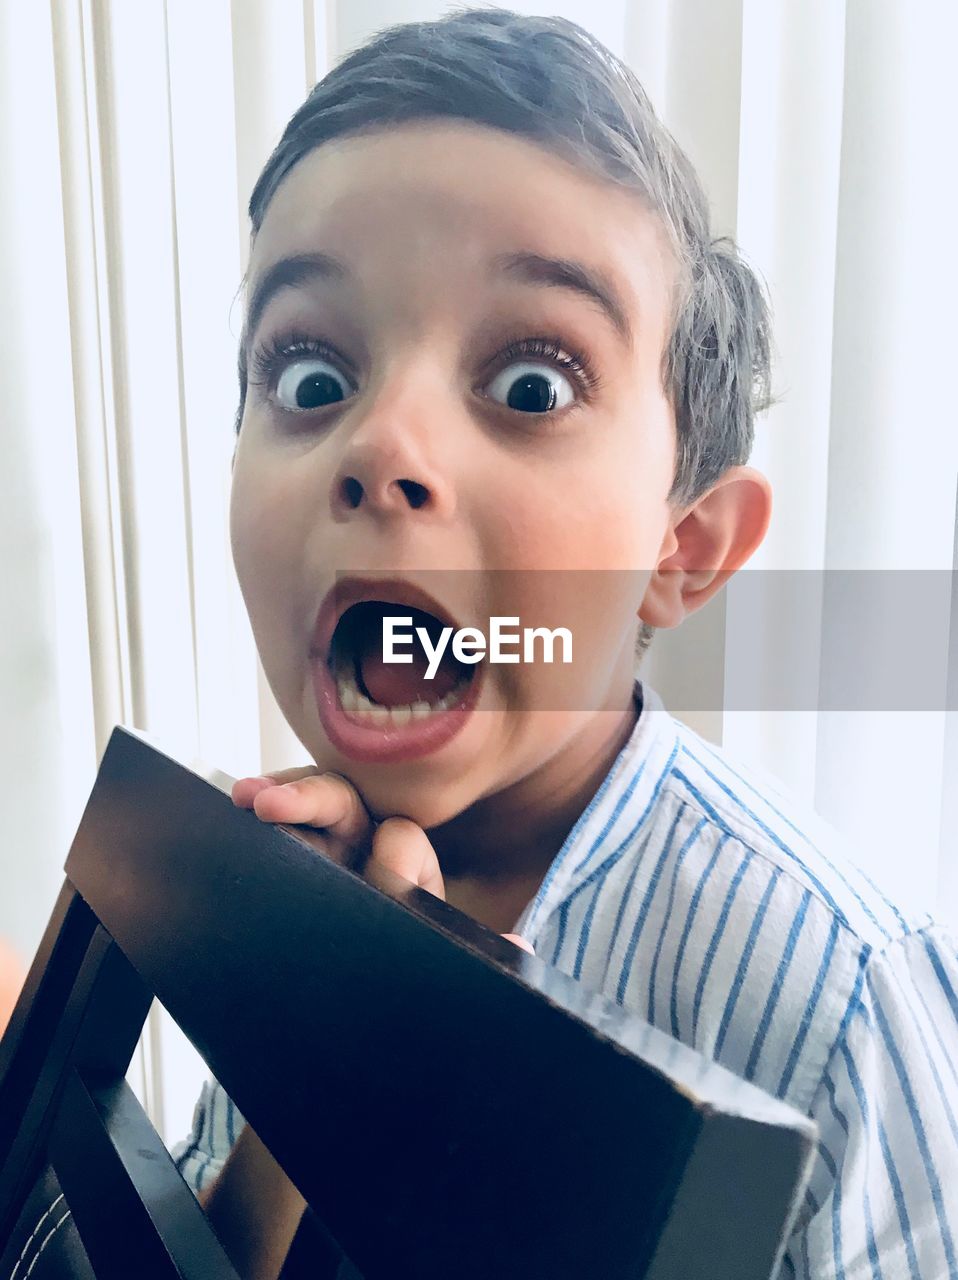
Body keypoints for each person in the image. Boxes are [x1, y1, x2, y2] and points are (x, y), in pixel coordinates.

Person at [169, 10, 958, 1279]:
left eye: (531, 384)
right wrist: (289, 1067)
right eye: (311, 375)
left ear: (680, 550)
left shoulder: (834, 995)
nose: (380, 447)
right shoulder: (275, 883)